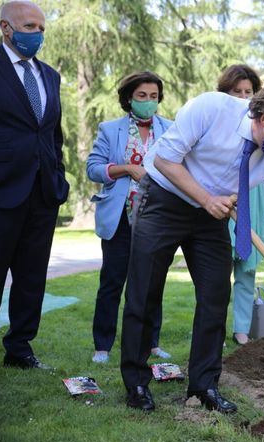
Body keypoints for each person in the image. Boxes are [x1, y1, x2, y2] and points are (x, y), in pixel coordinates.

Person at [120, 82, 264, 413]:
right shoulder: (212, 109)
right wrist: (205, 198)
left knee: (215, 297)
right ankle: (137, 382)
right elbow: (166, 160)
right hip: (164, 198)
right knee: (145, 291)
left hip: (213, 213)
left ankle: (203, 386)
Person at [0, 1, 69, 370]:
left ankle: (20, 348)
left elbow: (52, 133)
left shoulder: (49, 75)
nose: (37, 34)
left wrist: (58, 175)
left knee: (31, 277)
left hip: (42, 194)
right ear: (6, 28)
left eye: (41, 28)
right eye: (29, 27)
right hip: (2, 190)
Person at [86, 71, 172, 364]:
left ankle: (152, 343)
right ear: (128, 99)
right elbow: (93, 168)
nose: (149, 101)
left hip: (157, 217)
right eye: (142, 96)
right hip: (120, 216)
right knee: (112, 281)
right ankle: (103, 346)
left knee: (152, 282)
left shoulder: (171, 129)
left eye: (154, 96)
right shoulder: (110, 130)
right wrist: (125, 169)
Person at [216, 64, 264, 345]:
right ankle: (215, 330)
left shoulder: (263, 125)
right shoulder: (218, 125)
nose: (244, 96)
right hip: (226, 200)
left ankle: (242, 329)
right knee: (218, 273)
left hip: (254, 200)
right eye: (237, 91)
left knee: (247, 270)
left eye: (249, 92)